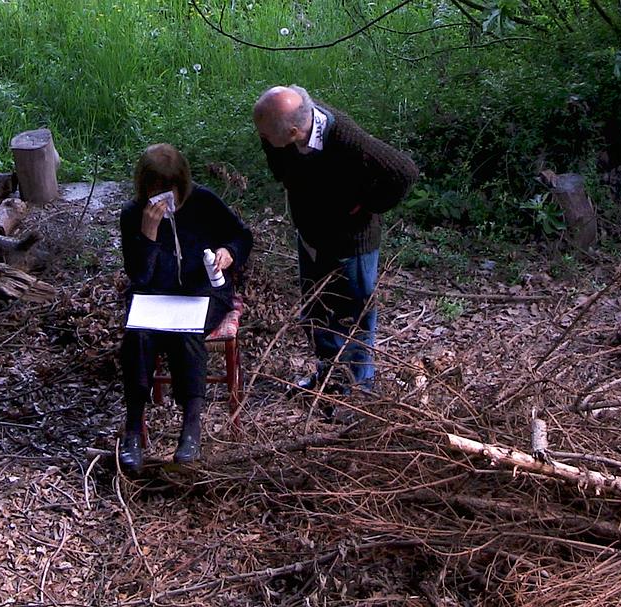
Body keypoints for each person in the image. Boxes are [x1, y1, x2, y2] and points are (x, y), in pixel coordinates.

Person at [253, 85, 418, 395]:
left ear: (292, 132)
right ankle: (329, 376)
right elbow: (276, 156)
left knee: (352, 315)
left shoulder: (345, 140)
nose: (262, 139)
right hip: (312, 237)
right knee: (316, 309)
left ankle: (356, 390)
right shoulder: (284, 133)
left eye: (267, 136)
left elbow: (404, 171)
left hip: (349, 243)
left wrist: (366, 204)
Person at [118, 143, 253, 471]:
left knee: (185, 333)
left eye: (171, 188)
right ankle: (133, 428)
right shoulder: (132, 214)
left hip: (204, 293)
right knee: (137, 337)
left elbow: (241, 235)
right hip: (154, 296)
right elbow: (138, 275)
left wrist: (229, 251)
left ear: (182, 184)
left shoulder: (203, 202)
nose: (165, 196)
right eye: (156, 189)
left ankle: (190, 427)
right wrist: (148, 237)